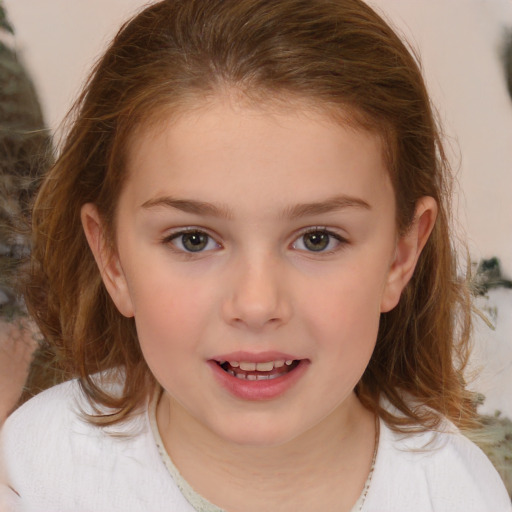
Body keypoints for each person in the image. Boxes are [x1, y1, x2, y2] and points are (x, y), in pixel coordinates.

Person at [1, 0, 510, 510]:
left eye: (317, 239)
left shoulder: (457, 494)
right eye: (193, 240)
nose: (257, 303)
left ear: (401, 257)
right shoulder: (36, 472)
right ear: (112, 259)